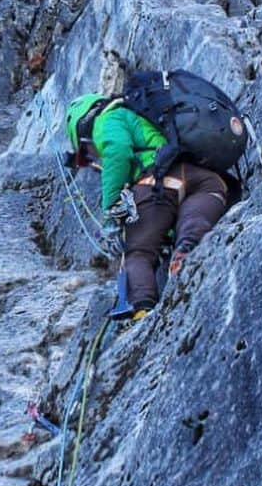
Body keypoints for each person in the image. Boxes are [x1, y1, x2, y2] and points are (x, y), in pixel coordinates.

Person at [65, 92, 230, 319]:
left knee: (138, 253)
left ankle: (141, 310)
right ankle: (186, 251)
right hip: (204, 179)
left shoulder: (107, 118)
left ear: (83, 125)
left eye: (86, 152)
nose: (93, 158)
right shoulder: (142, 117)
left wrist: (111, 213)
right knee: (194, 220)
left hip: (155, 185)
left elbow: (118, 152)